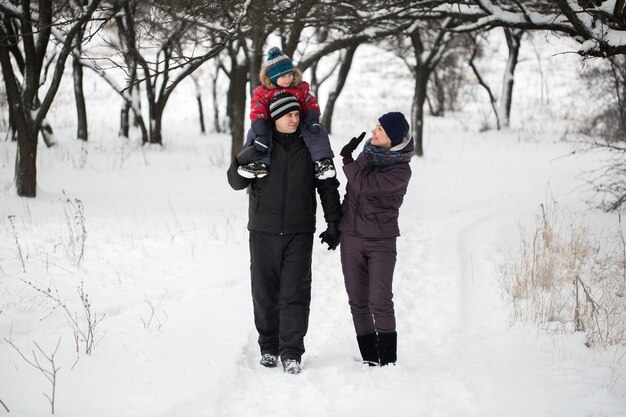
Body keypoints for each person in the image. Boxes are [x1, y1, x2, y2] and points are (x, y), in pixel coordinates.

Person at [227, 92, 342, 375]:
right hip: (263, 229)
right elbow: (235, 181)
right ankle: (268, 347)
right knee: (264, 293)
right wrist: (245, 155)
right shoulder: (261, 145)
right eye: (289, 115)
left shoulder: (310, 146)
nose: (295, 119)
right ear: (275, 118)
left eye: (297, 114)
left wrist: (334, 223)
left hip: (299, 230)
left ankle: (291, 352)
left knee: (295, 293)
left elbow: (328, 186)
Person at [338, 112, 413, 366]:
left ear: (392, 138)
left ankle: (388, 361)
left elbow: (364, 186)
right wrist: (338, 225)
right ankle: (370, 358)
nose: (373, 131)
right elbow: (351, 193)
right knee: (357, 301)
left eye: (380, 129)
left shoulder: (401, 170)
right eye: (376, 126)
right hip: (351, 238)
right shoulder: (367, 155)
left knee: (379, 300)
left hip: (381, 241)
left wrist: (347, 159)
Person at [238, 46, 335, 181]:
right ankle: (258, 163)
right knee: (255, 133)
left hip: (298, 120)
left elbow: (310, 102)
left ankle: (322, 162)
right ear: (272, 77)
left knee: (316, 131)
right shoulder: (263, 92)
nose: (288, 79)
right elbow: (257, 111)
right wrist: (260, 131)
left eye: (290, 74)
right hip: (272, 123)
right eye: (283, 76)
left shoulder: (300, 88)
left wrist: (312, 120)